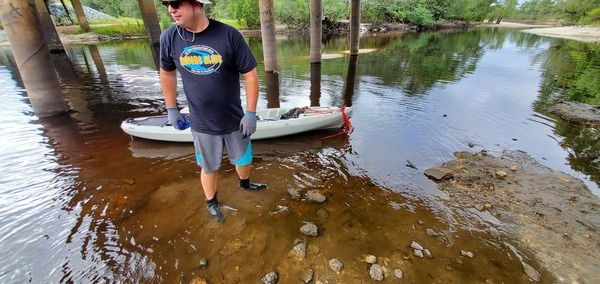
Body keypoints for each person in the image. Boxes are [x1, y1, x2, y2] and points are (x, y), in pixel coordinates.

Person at [159, 0, 267, 223]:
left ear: (197, 4)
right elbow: (167, 73)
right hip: (201, 121)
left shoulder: (228, 35)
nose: (171, 9)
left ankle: (245, 184)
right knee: (208, 166)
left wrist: (250, 112)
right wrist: (171, 108)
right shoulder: (169, 38)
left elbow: (250, 75)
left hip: (235, 117)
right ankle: (211, 202)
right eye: (166, 4)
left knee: (244, 157)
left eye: (176, 3)